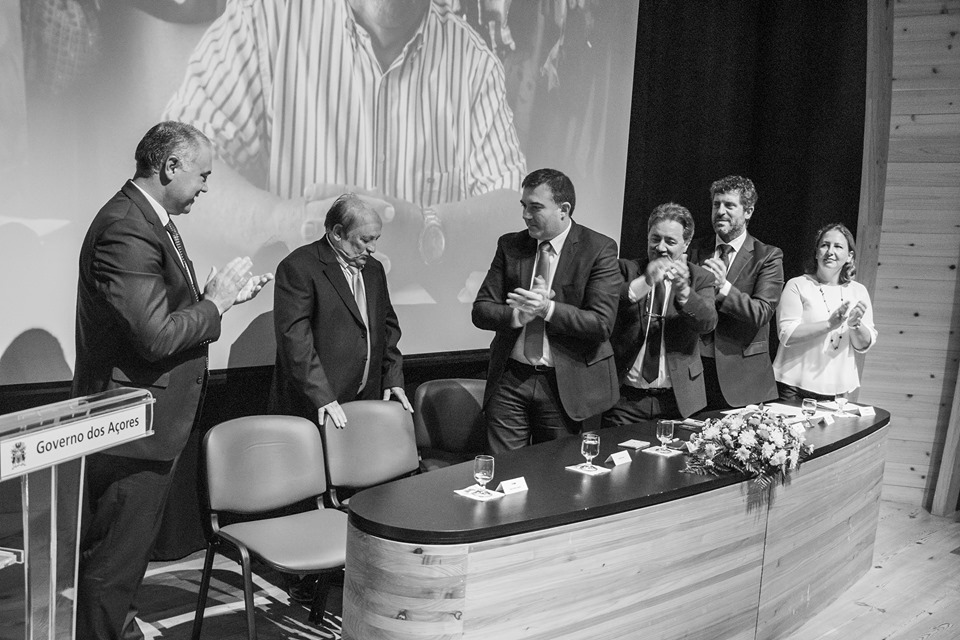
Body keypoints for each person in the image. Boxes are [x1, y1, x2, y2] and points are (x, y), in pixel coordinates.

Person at [163, 0, 526, 287]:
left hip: (420, 341)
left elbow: (515, 209)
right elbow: (173, 167)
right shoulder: (261, 21)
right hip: (290, 326)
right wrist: (284, 221)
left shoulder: (475, 64)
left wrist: (424, 228)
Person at [72, 121, 273, 640]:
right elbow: (156, 337)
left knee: (125, 559)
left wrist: (214, 300)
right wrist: (214, 304)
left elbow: (159, 316)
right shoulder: (126, 227)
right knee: (113, 562)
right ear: (170, 166)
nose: (206, 187)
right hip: (129, 429)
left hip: (148, 425)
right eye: (203, 175)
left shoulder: (148, 219)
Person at [472, 168, 620, 453]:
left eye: (535, 207)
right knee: (505, 469)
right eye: (523, 206)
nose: (526, 215)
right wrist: (518, 316)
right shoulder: (511, 245)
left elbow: (601, 324)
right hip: (511, 380)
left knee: (554, 470)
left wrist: (547, 309)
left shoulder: (598, 248)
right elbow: (481, 310)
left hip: (564, 384)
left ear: (564, 209)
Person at [268, 193, 412, 429]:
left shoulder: (374, 269)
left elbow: (387, 328)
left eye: (376, 239)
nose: (373, 248)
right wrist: (322, 396)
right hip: (317, 408)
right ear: (337, 233)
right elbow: (295, 342)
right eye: (365, 240)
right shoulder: (299, 267)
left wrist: (392, 377)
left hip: (366, 403)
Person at [603, 203, 717, 425]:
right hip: (625, 400)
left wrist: (684, 292)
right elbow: (610, 303)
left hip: (678, 401)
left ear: (686, 244)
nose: (661, 247)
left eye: (670, 241)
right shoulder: (626, 269)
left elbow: (708, 323)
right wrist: (646, 281)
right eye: (655, 239)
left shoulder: (701, 278)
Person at [687, 175, 783, 409]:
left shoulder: (767, 256)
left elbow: (761, 312)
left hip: (742, 377)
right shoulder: (693, 250)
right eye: (716, 205)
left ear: (748, 211)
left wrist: (723, 287)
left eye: (729, 205)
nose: (720, 212)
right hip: (694, 373)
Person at [773, 223, 877, 401]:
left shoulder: (858, 291)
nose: (830, 251)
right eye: (825, 245)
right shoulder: (798, 285)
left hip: (836, 390)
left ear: (850, 256)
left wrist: (855, 326)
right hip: (793, 387)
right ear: (816, 253)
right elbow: (786, 334)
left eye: (838, 247)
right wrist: (829, 325)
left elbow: (863, 345)